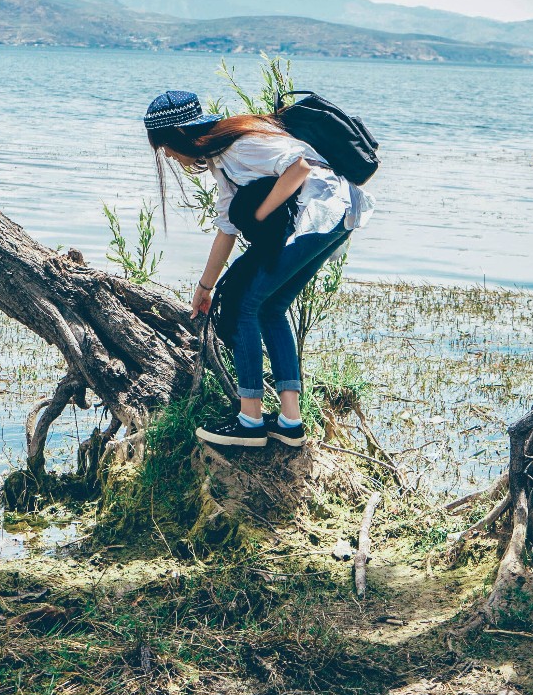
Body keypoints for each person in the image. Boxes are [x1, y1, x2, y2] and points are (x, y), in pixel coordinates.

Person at [143, 88, 373, 451]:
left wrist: (259, 214)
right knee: (270, 307)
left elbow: (299, 167)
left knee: (246, 304)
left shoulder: (240, 143)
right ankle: (289, 423)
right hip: (334, 215)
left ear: (178, 134)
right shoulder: (221, 160)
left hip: (323, 212)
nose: (168, 155)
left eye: (165, 147)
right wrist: (205, 287)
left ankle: (250, 421)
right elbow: (226, 228)